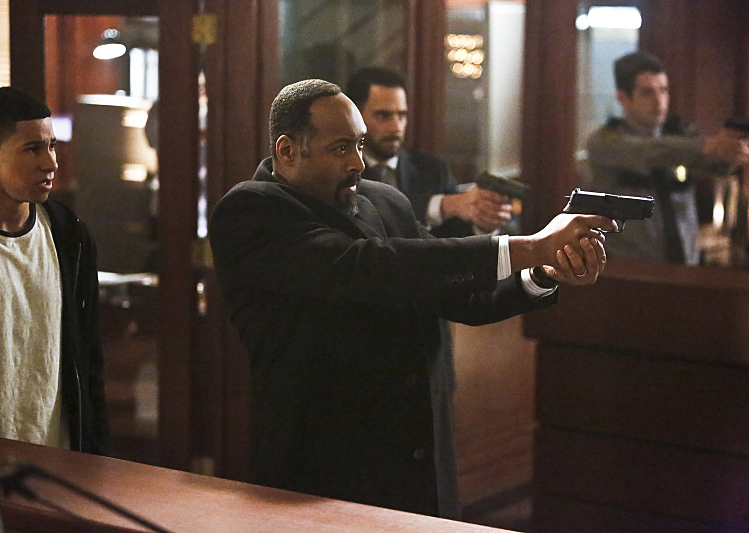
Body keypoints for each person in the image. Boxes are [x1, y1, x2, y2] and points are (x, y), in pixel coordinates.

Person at [209, 79, 616, 519]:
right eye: (341, 148)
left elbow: (460, 295)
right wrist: (530, 246)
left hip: (418, 459)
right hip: (324, 467)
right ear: (288, 151)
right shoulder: (251, 210)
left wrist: (543, 272)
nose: (358, 162)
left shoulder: (384, 201)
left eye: (359, 144)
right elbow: (367, 267)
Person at [0, 86, 108, 454]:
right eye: (32, 149)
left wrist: (98, 457)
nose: (50, 163)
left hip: (61, 460)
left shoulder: (70, 236)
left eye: (52, 146)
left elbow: (89, 358)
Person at [585, 50, 749, 265]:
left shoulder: (682, 136)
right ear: (623, 98)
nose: (659, 100)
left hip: (684, 268)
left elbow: (718, 165)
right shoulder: (605, 142)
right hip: (628, 269)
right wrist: (707, 146)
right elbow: (650, 151)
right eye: (647, 92)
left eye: (664, 90)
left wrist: (733, 150)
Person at [344, 66, 513, 238]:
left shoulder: (432, 170)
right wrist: (443, 206)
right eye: (383, 116)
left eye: (402, 115)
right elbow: (369, 216)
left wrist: (484, 222)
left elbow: (458, 236)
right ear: (355, 116)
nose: (396, 127)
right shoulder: (342, 171)